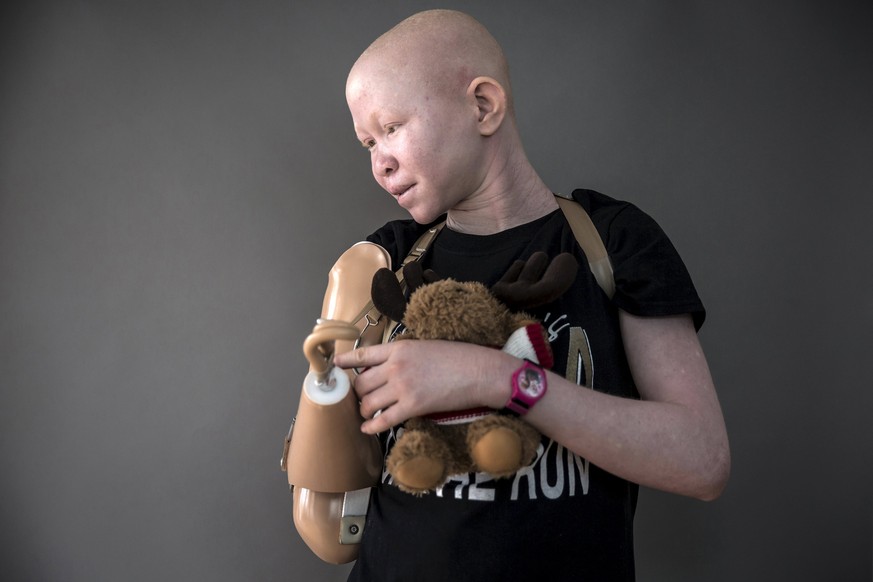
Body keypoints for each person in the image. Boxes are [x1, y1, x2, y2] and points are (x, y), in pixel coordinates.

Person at [322, 9, 730, 581]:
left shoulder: (611, 242)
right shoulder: (385, 260)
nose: (379, 162)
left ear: (483, 106)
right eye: (367, 142)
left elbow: (702, 460)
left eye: (391, 128)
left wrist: (496, 380)